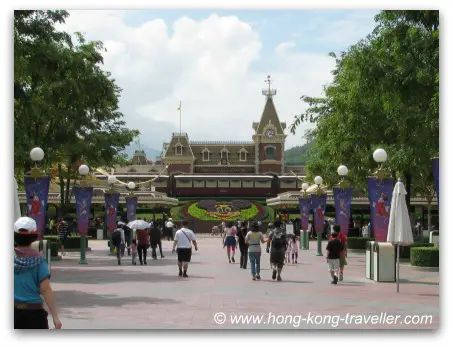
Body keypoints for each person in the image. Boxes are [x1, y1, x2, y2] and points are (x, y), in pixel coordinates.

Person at [14, 217, 62, 329]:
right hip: (34, 313)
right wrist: (55, 317)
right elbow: (45, 289)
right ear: (34, 236)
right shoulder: (39, 260)